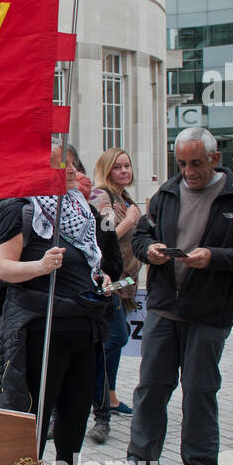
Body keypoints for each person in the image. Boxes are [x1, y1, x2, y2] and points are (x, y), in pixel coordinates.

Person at [0, 144, 122, 465]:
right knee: (35, 415)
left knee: (74, 411)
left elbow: (91, 259)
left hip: (84, 325)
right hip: (41, 326)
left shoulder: (79, 209)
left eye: (73, 165)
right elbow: (3, 268)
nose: (72, 173)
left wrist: (101, 279)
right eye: (63, 167)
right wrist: (40, 265)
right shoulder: (19, 209)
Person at [125, 127, 233, 465]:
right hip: (163, 308)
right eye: (182, 163)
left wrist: (214, 257)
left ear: (214, 157)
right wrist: (151, 250)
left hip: (209, 312)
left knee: (199, 392)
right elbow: (141, 236)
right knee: (151, 390)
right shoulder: (167, 193)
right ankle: (140, 464)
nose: (188, 171)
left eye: (196, 163)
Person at [87, 148, 142, 444]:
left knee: (116, 342)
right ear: (106, 169)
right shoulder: (102, 198)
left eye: (127, 166)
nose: (124, 171)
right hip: (110, 279)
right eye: (118, 167)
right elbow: (104, 238)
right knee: (115, 338)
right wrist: (131, 221)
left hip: (127, 280)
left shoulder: (127, 199)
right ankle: (98, 394)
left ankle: (109, 394)